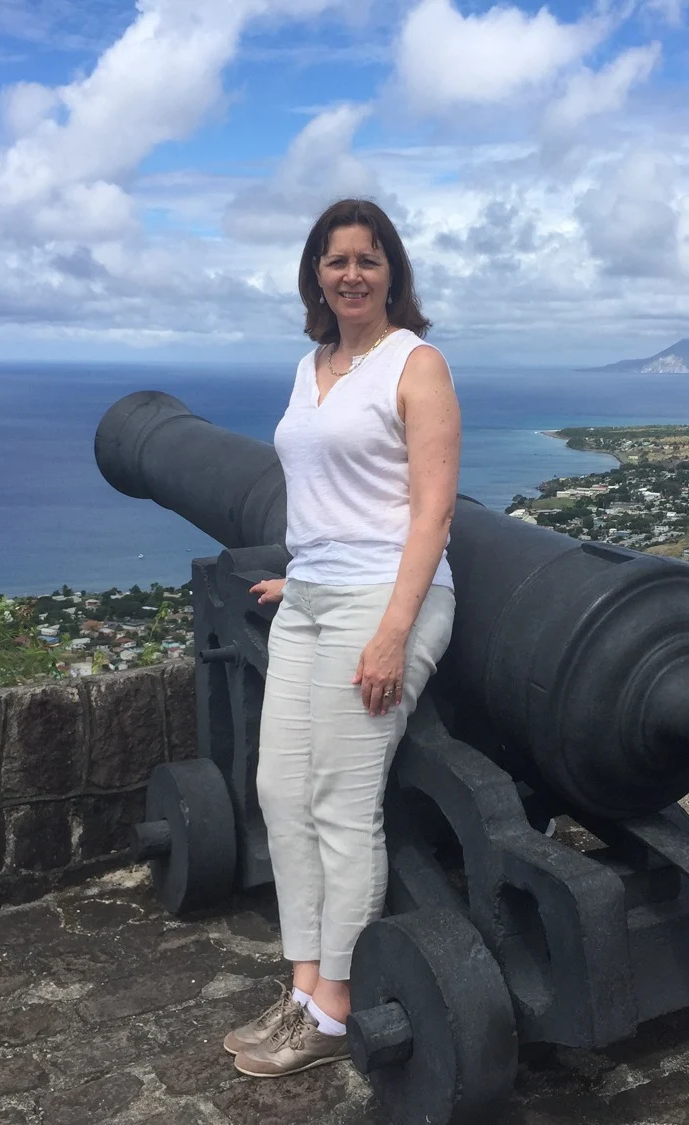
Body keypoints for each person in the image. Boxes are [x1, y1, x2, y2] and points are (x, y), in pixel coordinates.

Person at [224, 199, 461, 1078]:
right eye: (336, 261)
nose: (351, 274)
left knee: (340, 802)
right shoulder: (311, 365)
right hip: (317, 595)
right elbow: (324, 489)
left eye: (367, 259)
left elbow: (432, 509)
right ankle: (301, 988)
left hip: (389, 599)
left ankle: (335, 1008)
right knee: (280, 789)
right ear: (315, 275)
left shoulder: (417, 364)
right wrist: (306, 572)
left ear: (391, 270)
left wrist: (393, 629)